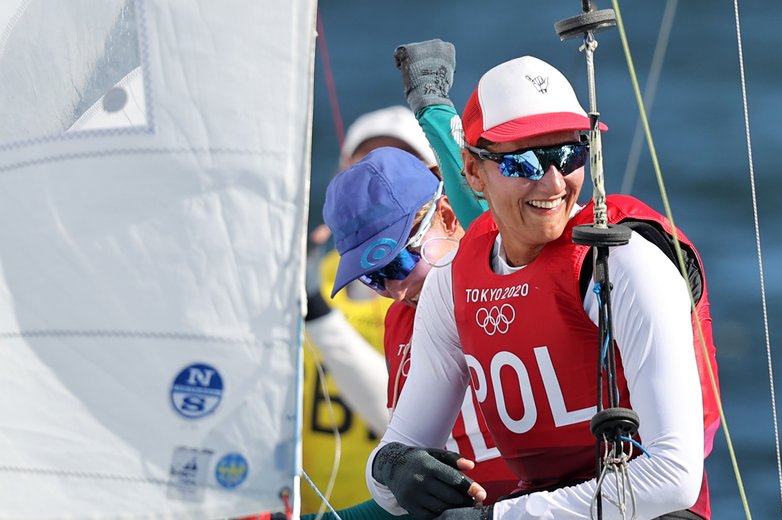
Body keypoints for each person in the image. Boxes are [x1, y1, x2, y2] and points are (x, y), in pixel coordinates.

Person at [363, 53, 722, 520]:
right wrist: (392, 466)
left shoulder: (621, 264)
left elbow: (674, 477)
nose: (553, 182)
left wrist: (497, 518)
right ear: (472, 171)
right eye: (524, 163)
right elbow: (391, 470)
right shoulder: (450, 285)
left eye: (568, 155)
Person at [301, 105, 444, 513]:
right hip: (315, 506)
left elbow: (405, 426)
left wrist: (317, 315)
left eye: (398, 163)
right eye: (363, 164)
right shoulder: (314, 275)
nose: (375, 179)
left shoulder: (425, 290)